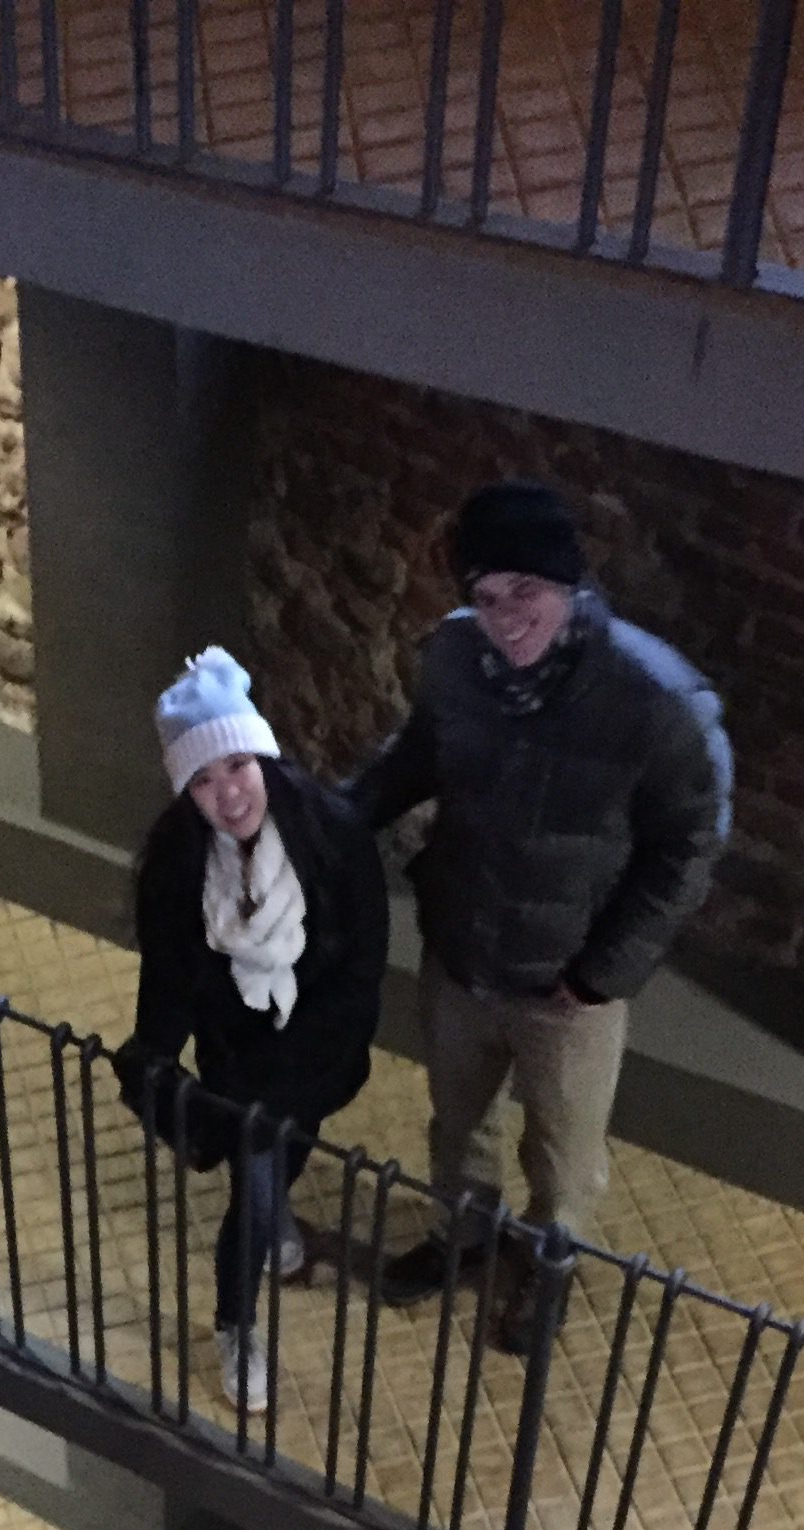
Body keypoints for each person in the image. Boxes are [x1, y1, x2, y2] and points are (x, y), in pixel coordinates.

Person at [345, 480, 730, 1347]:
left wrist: (601, 974)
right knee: (457, 1122)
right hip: (463, 948)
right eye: (486, 595)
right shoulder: (455, 659)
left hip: (568, 985)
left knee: (561, 1155)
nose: (507, 615)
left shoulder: (654, 701)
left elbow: (689, 846)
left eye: (529, 591)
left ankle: (549, 1263)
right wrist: (340, 816)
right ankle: (464, 1233)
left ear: (571, 587)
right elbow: (420, 753)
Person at [120, 648, 389, 1416]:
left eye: (235, 766)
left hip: (315, 1050)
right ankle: (237, 1321)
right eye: (202, 781)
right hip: (237, 1058)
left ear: (261, 753)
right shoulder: (179, 861)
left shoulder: (331, 837)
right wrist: (155, 1057)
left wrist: (316, 1064)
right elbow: (169, 970)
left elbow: (361, 962)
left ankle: (276, 1227)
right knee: (255, 1178)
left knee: (282, 1156)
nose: (226, 794)